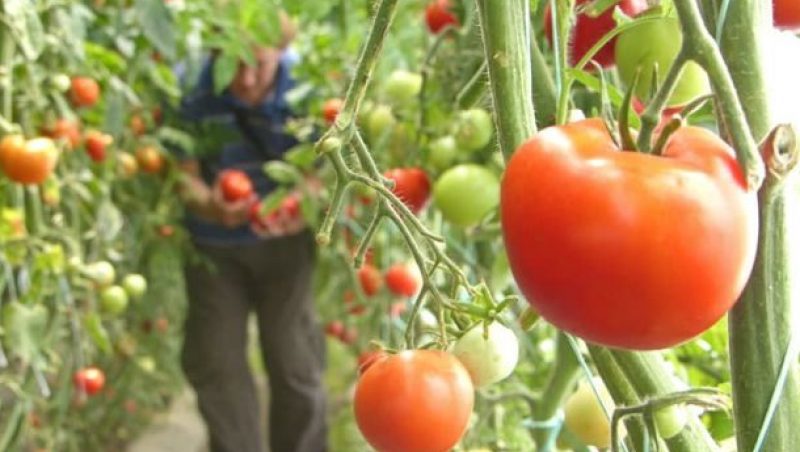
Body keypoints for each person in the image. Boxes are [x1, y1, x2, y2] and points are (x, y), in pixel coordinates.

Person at [174, 15, 327, 452]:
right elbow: (184, 174)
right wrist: (211, 204)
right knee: (216, 361)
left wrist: (299, 207)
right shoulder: (192, 87)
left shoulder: (307, 89)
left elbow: (323, 171)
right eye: (233, 63)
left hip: (285, 248)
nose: (245, 78)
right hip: (214, 249)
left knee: (294, 359)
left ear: (281, 52)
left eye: (258, 64)